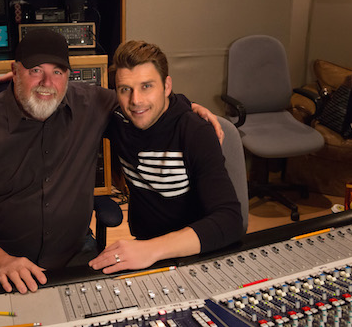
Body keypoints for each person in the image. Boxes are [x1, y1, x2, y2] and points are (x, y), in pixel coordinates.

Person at [0, 29, 223, 294]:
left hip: (75, 257)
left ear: (68, 75)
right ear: (15, 72)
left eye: (57, 72)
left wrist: (188, 108)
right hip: (2, 263)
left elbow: (142, 102)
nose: (46, 83)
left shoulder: (92, 103)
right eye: (34, 71)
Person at [88, 40, 244, 274]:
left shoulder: (195, 131)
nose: (136, 101)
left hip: (196, 252)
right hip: (146, 249)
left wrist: (150, 249)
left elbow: (230, 221)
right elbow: (65, 95)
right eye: (125, 89)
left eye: (147, 86)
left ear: (167, 86)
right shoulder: (118, 119)